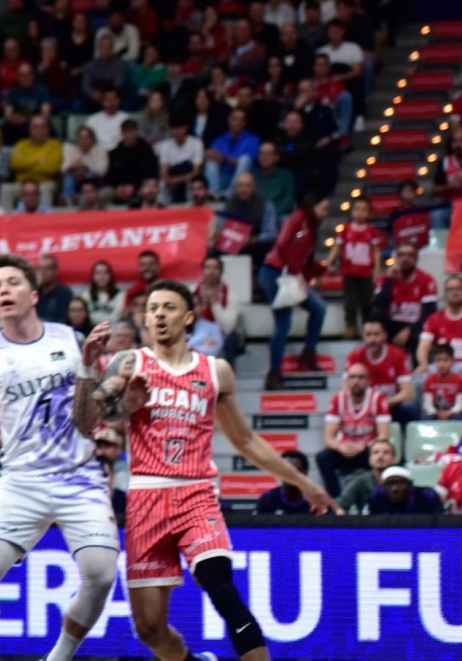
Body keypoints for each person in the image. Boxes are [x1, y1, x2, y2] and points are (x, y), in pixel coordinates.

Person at [78, 280, 336, 661]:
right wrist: (90, 370)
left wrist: (301, 482)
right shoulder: (131, 363)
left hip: (196, 492)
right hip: (147, 496)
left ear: (188, 317)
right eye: (152, 308)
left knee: (220, 586)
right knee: (149, 628)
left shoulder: (216, 371)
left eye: (167, 307)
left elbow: (246, 441)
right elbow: (87, 422)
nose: (158, 314)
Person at [0, 255, 117, 661]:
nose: (3, 290)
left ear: (34, 294)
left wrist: (90, 363)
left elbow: (90, 421)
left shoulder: (72, 340)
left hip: (79, 477)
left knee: (101, 574)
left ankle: (58, 657)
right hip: (21, 479)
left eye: (12, 282)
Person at [259, 193, 330, 390]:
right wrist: (298, 273)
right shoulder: (299, 217)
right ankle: (274, 373)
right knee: (283, 322)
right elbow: (282, 244)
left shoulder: (311, 228)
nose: (325, 214)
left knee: (319, 309)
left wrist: (321, 268)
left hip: (289, 275)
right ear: (313, 205)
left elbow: (305, 262)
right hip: (275, 273)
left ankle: (308, 353)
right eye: (323, 208)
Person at [317, 363, 391, 498]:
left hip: (366, 450)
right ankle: (336, 498)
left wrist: (362, 447)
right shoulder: (338, 399)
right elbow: (328, 438)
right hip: (344, 449)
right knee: (323, 457)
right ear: (346, 381)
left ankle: (375, 497)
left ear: (368, 381)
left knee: (380, 455)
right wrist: (340, 447)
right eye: (352, 377)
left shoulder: (378, 399)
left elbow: (383, 436)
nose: (356, 381)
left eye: (361, 377)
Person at [328, 197, 384, 339]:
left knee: (367, 302)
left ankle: (367, 328)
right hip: (349, 273)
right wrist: (329, 261)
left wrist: (377, 270)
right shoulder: (345, 230)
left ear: (369, 213)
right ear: (352, 211)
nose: (360, 213)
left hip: (366, 273)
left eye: (364, 210)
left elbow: (376, 251)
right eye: (357, 209)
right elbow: (337, 247)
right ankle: (351, 327)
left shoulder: (372, 231)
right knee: (350, 302)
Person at [339, 439, 398, 514]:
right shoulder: (360, 482)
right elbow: (340, 505)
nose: (380, 456)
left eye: (385, 453)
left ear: (394, 459)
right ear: (369, 459)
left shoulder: (402, 482)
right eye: (375, 452)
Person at [368, 466, 443, 515]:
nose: (394, 489)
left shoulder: (427, 497)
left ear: (410, 485)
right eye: (389, 484)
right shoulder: (377, 498)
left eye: (400, 483)